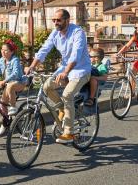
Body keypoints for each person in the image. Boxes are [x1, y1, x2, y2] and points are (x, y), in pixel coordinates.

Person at [25, 9, 91, 144]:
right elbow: (44, 50)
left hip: (81, 70)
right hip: (64, 69)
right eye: (53, 20)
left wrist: (66, 72)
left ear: (67, 20)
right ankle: (62, 109)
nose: (55, 23)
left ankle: (69, 132)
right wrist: (32, 66)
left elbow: (76, 55)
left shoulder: (78, 32)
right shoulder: (55, 33)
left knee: (67, 94)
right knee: (46, 86)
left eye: (58, 20)